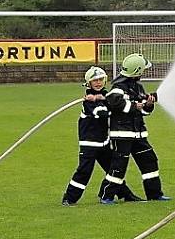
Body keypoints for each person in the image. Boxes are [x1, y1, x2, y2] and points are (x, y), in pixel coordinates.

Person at [61, 66, 142, 206]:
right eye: (94, 81)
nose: (98, 83)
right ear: (89, 83)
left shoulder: (106, 95)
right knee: (84, 171)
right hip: (89, 144)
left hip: (104, 143)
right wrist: (102, 101)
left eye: (100, 80)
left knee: (114, 169)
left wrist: (102, 97)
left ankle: (126, 194)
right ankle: (69, 198)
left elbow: (112, 102)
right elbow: (102, 112)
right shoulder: (88, 101)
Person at [98, 53, 170, 204]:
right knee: (119, 165)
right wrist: (133, 105)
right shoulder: (119, 88)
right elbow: (112, 101)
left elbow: (143, 110)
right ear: (137, 71)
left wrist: (148, 105)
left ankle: (154, 194)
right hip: (122, 134)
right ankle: (106, 195)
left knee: (150, 161)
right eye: (142, 70)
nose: (144, 73)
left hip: (138, 134)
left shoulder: (138, 88)